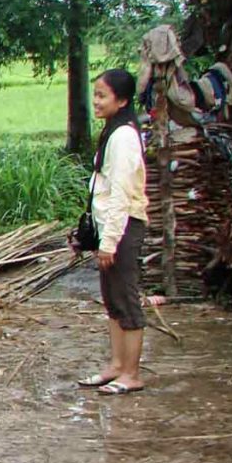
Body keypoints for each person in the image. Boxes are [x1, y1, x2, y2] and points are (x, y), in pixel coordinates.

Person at [74, 68, 148, 395]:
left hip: (124, 226)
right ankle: (117, 365)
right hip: (111, 227)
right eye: (96, 94)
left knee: (126, 299)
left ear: (123, 100)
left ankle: (132, 373)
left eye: (103, 95)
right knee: (112, 300)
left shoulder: (124, 137)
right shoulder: (111, 131)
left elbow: (120, 194)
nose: (97, 101)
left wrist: (110, 242)